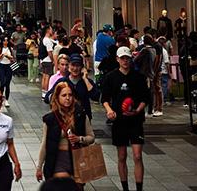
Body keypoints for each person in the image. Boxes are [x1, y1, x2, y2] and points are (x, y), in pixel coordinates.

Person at [100, 46, 149, 191]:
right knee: (121, 156)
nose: (125, 61)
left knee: (137, 155)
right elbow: (105, 98)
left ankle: (139, 188)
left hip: (135, 121)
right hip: (119, 122)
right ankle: (125, 187)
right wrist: (109, 111)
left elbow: (145, 97)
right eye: (122, 58)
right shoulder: (111, 77)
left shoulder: (138, 77)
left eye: (127, 58)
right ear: (117, 59)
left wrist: (138, 110)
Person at [35, 81, 95, 187]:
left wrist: (79, 139)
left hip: (76, 159)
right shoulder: (50, 119)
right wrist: (39, 167)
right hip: (56, 160)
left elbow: (91, 137)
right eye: (64, 95)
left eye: (70, 95)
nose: (68, 98)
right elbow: (44, 144)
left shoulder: (80, 114)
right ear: (57, 97)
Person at [50, 54, 100, 120]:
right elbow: (48, 97)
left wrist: (85, 79)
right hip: (65, 117)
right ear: (69, 66)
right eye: (73, 65)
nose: (75, 68)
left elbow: (96, 97)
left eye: (78, 65)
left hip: (83, 117)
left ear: (82, 67)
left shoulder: (87, 82)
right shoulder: (63, 81)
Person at [133, 35, 158, 115]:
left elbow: (136, 60)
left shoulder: (145, 50)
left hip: (143, 73)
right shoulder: (154, 50)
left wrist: (135, 55)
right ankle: (151, 109)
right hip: (151, 72)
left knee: (143, 92)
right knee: (151, 91)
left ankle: (144, 109)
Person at [0, 38, 15, 109]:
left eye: (7, 40)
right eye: (4, 40)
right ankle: (0, 97)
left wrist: (9, 57)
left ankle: (6, 99)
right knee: (2, 82)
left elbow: (13, 59)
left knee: (7, 83)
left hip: (9, 66)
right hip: (2, 66)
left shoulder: (10, 48)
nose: (5, 42)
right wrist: (3, 55)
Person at [40, 26, 56, 97]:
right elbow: (49, 51)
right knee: (47, 76)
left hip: (43, 60)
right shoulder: (47, 40)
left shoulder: (44, 39)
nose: (52, 30)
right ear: (48, 30)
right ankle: (46, 92)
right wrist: (53, 60)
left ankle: (43, 92)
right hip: (48, 60)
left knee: (44, 76)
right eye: (51, 29)